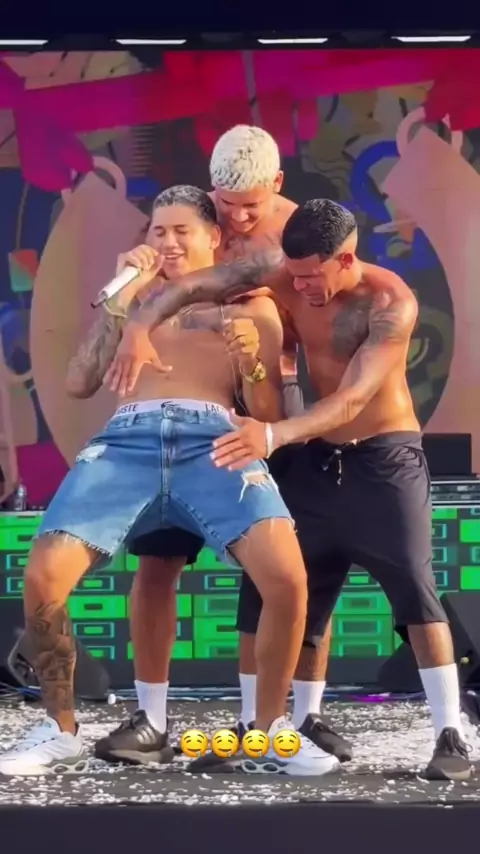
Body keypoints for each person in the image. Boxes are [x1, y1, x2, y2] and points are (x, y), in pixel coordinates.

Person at [106, 193, 472, 782]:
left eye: (312, 277)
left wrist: (273, 434)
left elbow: (351, 399)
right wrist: (138, 327)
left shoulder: (390, 303)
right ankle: (263, 727)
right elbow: (196, 284)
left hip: (383, 456)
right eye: (293, 276)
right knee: (279, 585)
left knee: (412, 583)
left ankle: (450, 732)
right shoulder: (282, 274)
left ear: (346, 258)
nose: (300, 288)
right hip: (310, 454)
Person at [0, 185, 338, 778]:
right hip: (128, 440)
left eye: (182, 230)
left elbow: (265, 413)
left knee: (288, 578)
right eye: (158, 231)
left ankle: (269, 730)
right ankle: (60, 730)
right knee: (43, 575)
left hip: (213, 439)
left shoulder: (249, 304)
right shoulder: (133, 302)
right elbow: (79, 381)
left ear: (214, 237)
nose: (168, 242)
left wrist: (252, 362)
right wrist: (118, 299)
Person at [96, 128, 350, 769]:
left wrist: (283, 383)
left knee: (293, 567)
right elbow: (151, 298)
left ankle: (292, 719)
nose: (236, 218)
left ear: (278, 186)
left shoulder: (302, 232)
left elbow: (329, 313)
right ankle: (152, 720)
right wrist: (132, 315)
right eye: (226, 205)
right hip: (193, 407)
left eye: (250, 206)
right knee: (157, 561)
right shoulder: (190, 224)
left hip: (276, 396)